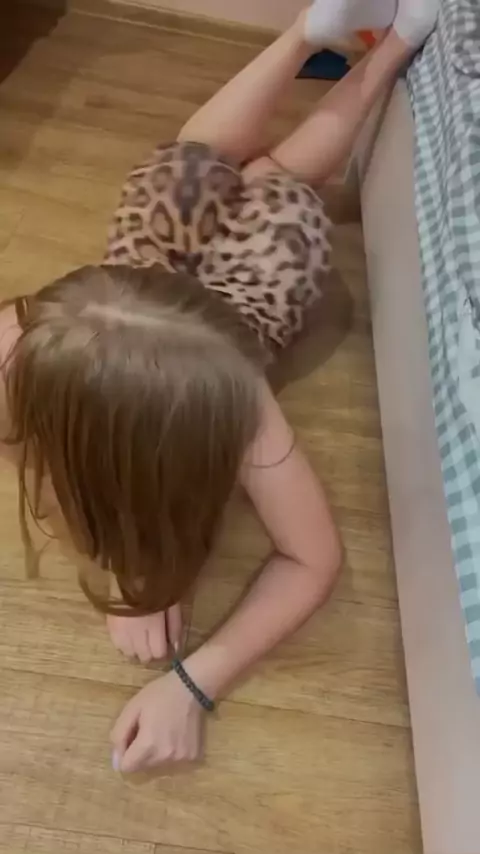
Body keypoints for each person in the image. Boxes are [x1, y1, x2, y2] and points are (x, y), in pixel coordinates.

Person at [0, 0, 438, 773]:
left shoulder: (237, 404)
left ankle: (392, 48)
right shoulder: (40, 332)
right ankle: (309, 32)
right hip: (151, 282)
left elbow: (313, 559)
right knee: (199, 161)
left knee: (282, 180)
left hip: (257, 278)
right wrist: (146, 575)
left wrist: (194, 680)